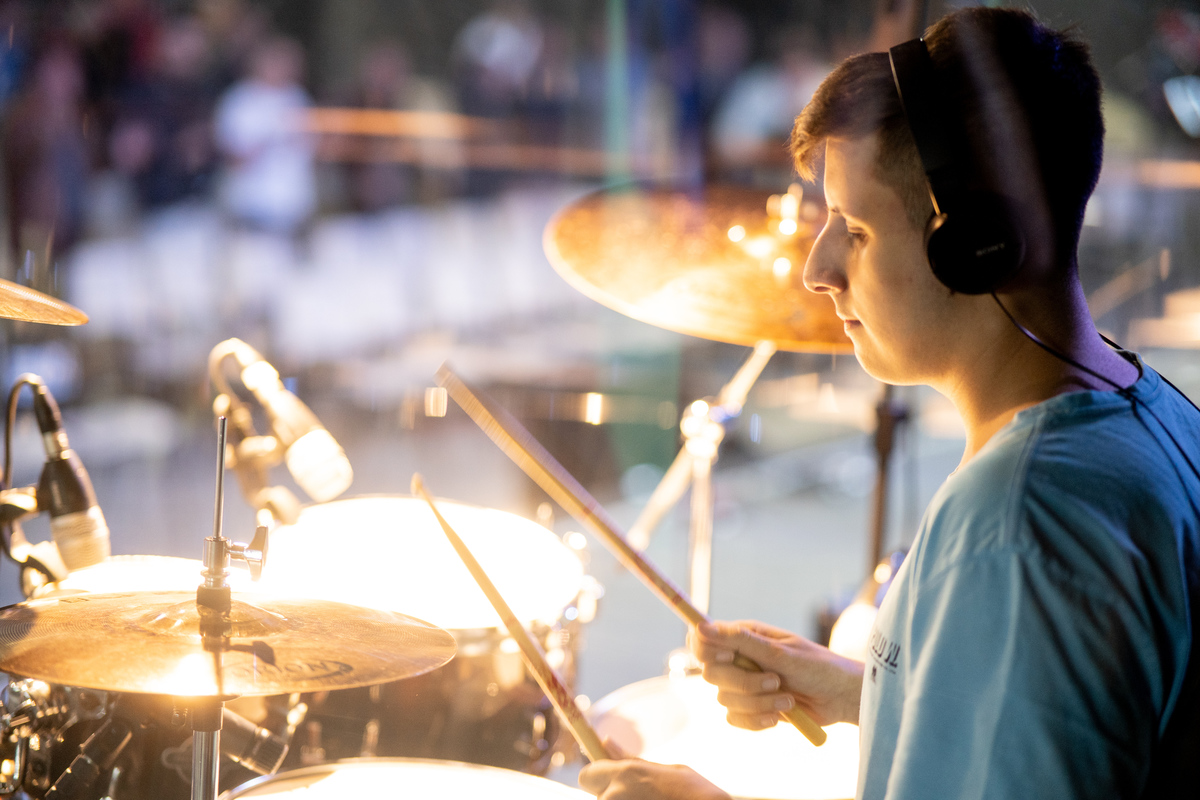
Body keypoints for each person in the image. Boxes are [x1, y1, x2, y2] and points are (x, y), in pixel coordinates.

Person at [579, 7, 1200, 799]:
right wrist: (864, 686)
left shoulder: (1017, 523)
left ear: (974, 242)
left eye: (855, 227)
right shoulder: (1154, 411)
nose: (816, 267)